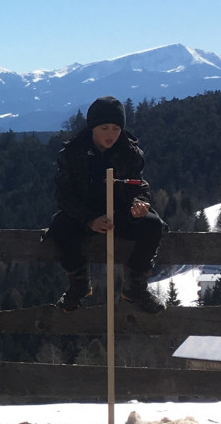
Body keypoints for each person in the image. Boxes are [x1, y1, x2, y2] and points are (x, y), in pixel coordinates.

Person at [45, 96, 166, 313]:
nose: (111, 134)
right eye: (104, 128)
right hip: (84, 214)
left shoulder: (130, 153)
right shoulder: (73, 152)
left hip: (120, 212)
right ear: (92, 127)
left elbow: (139, 186)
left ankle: (135, 287)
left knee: (152, 225)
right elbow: (63, 195)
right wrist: (89, 220)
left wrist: (139, 205)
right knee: (60, 227)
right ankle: (79, 284)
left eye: (116, 128)